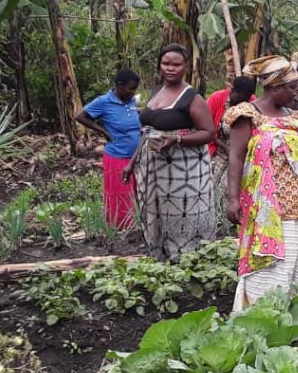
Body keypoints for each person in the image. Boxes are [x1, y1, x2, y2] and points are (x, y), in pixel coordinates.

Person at [226, 56, 298, 310]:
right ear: (275, 87)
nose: (296, 91)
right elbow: (235, 156)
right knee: (271, 266)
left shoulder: (297, 118)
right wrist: (232, 198)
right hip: (267, 209)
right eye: (291, 87)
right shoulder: (247, 115)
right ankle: (264, 319)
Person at [123, 44, 215, 261]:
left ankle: (188, 261)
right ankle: (161, 258)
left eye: (177, 64)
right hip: (153, 167)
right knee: (156, 212)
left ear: (185, 67)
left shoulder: (192, 97)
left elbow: (208, 132)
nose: (170, 69)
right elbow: (147, 131)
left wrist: (177, 139)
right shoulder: (156, 91)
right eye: (166, 64)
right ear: (159, 66)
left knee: (182, 215)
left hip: (184, 169)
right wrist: (133, 161)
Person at [75, 68, 142, 228]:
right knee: (121, 194)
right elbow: (80, 116)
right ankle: (121, 228)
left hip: (138, 156)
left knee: (138, 193)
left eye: (135, 89)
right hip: (118, 156)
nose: (133, 93)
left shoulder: (131, 102)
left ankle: (138, 224)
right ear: (119, 85)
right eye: (130, 88)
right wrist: (102, 130)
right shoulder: (103, 102)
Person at [206, 76, 256, 156]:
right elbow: (206, 129)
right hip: (218, 148)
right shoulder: (216, 98)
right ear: (233, 91)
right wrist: (225, 147)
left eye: (247, 99)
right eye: (241, 98)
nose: (244, 102)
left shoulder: (252, 100)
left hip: (242, 150)